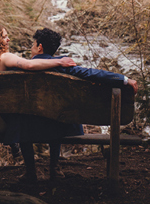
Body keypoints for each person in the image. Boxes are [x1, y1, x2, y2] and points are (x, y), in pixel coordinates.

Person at [12, 27, 138, 182]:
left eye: (32, 45)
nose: (31, 49)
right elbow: (92, 74)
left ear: (40, 47)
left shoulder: (22, 68)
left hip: (30, 127)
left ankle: (30, 170)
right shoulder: (63, 66)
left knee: (25, 120)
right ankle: (54, 167)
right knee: (56, 116)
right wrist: (124, 79)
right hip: (60, 126)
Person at [0, 24, 77, 181]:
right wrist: (58, 62)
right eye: (4, 36)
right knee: (22, 117)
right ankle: (42, 167)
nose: (8, 39)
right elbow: (28, 64)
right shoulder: (2, 58)